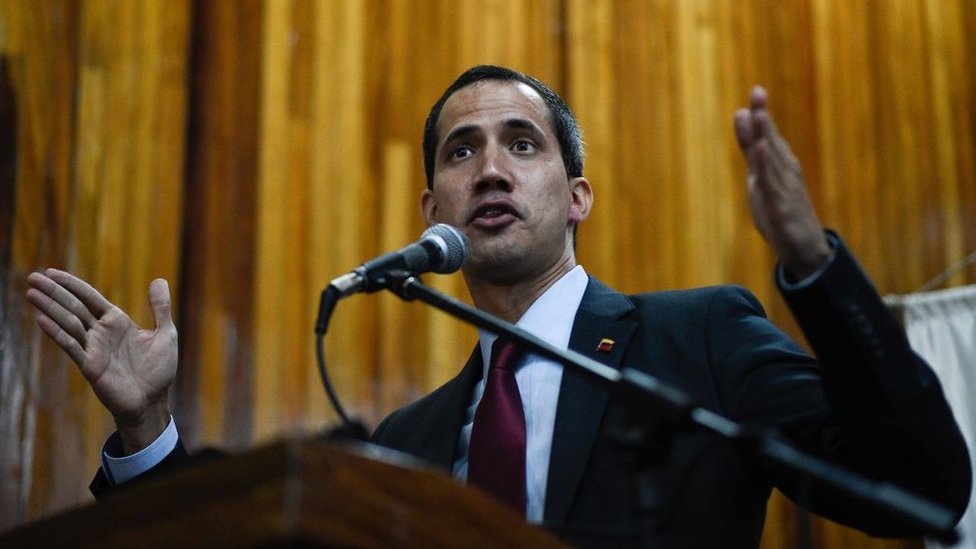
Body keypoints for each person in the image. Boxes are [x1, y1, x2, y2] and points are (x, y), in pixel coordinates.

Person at [25, 65, 970, 547]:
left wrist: (812, 263)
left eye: (522, 143)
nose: (490, 167)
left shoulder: (700, 339)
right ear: (431, 209)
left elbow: (923, 483)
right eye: (461, 150)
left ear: (578, 194)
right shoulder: (408, 440)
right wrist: (147, 430)